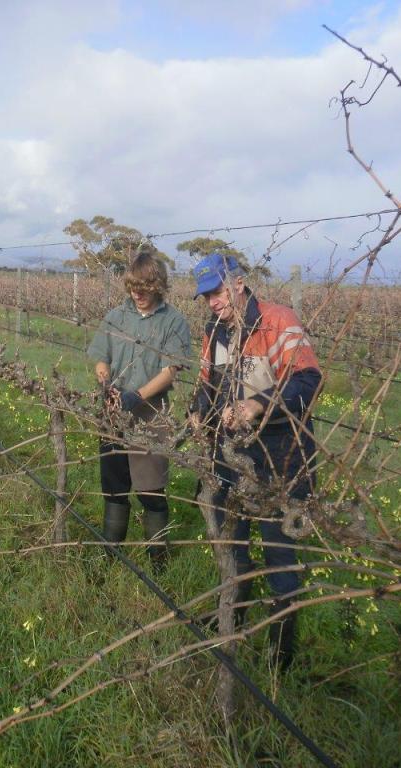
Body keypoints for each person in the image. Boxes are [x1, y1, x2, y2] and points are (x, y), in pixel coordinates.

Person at [189, 252, 321, 670]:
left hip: (283, 453)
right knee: (235, 541)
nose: (213, 301)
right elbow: (207, 386)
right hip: (234, 454)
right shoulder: (216, 332)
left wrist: (258, 405)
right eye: (206, 295)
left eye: (218, 291)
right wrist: (197, 412)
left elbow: (309, 381)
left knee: (280, 552)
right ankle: (234, 619)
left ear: (240, 282)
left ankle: (280, 653)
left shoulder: (277, 320)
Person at [86, 254, 191, 573]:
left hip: (151, 415)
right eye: (133, 286)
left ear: (158, 285)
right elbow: (101, 357)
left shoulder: (173, 321)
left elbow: (172, 368)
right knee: (114, 487)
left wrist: (138, 396)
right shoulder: (115, 317)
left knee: (151, 490)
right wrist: (106, 383)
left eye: (144, 286)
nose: (138, 293)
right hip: (113, 411)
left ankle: (158, 564)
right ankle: (109, 554)